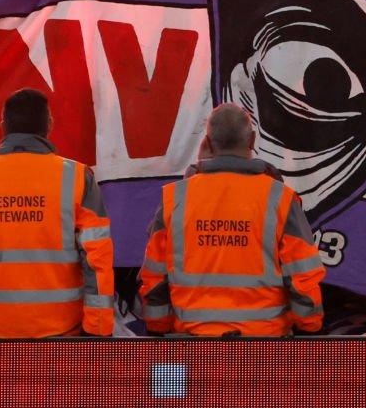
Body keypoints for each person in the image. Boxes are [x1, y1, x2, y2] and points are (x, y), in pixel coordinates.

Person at [0, 87, 116, 338]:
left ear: (3, 125)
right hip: (61, 333)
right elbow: (98, 260)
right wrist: (97, 330)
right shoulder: (78, 177)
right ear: (49, 124)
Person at [138, 102, 324, 338]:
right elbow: (302, 276)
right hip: (264, 347)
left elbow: (155, 275)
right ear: (252, 141)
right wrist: (309, 328)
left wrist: (158, 329)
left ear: (206, 143)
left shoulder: (176, 198)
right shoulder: (280, 198)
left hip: (194, 345)